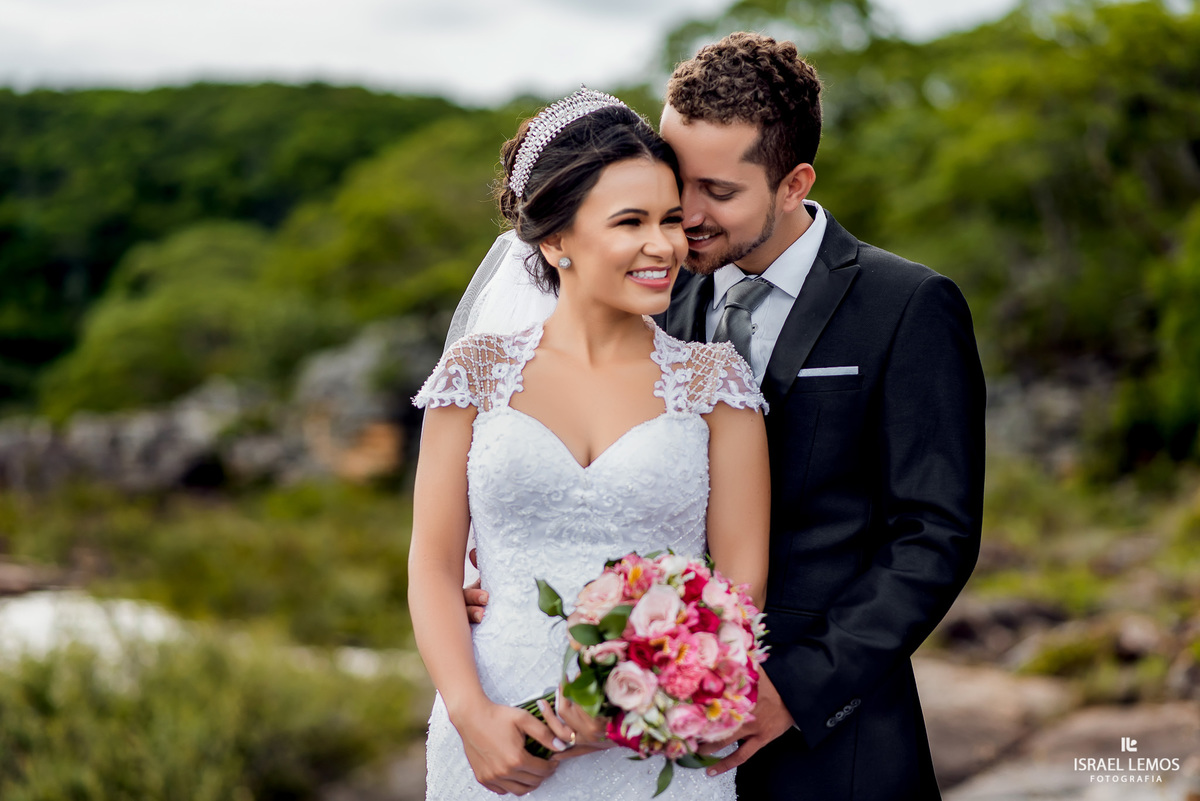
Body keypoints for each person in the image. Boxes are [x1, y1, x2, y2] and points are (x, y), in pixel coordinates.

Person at [468, 33, 987, 800]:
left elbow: (933, 537)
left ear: (792, 181)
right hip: (638, 732)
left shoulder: (906, 307)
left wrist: (792, 691)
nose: (688, 216)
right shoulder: (649, 291)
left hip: (829, 738)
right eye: (679, 182)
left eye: (719, 190)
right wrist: (491, 578)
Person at [408, 88, 771, 800]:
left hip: (652, 735)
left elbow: (739, 585)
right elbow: (431, 559)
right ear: (555, 239)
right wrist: (470, 711)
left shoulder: (717, 385)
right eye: (630, 221)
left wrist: (624, 707)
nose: (663, 244)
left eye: (671, 219)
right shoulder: (475, 373)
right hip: (494, 730)